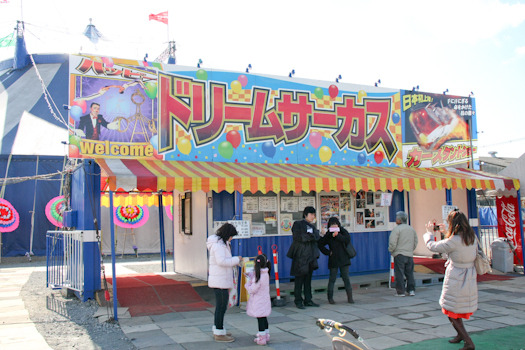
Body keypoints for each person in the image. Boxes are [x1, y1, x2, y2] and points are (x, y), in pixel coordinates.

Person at [423, 210, 477, 350]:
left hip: (457, 276)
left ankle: (468, 341)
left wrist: (429, 233)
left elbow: (434, 247)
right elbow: (448, 246)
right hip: (469, 275)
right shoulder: (471, 237)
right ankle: (460, 335)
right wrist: (444, 232)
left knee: (450, 309)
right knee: (455, 308)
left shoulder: (454, 240)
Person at [206, 223, 243, 343]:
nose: (232, 238)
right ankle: (219, 332)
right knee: (221, 307)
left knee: (222, 306)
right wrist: (236, 259)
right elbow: (221, 261)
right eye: (231, 236)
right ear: (227, 234)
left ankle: (219, 329)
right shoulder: (218, 246)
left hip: (221, 279)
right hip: (219, 280)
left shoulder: (223, 243)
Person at [287, 206, 321, 309]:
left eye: (314, 215)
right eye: (311, 214)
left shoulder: (313, 226)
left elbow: (316, 237)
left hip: (310, 257)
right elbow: (298, 237)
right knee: (299, 280)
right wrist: (310, 236)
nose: (313, 217)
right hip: (300, 257)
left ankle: (308, 300)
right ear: (305, 214)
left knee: (308, 280)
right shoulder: (298, 224)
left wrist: (311, 236)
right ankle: (298, 301)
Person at [318, 217, 354, 304]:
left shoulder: (342, 231)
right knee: (332, 279)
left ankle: (350, 297)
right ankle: (330, 298)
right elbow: (320, 244)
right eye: (332, 225)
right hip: (333, 259)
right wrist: (327, 252)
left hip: (344, 258)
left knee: (346, 278)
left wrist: (337, 235)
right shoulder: (328, 234)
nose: (334, 226)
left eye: (335, 224)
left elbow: (347, 240)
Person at [388, 211, 418, 297]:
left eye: (397, 218)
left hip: (399, 254)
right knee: (410, 273)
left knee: (399, 273)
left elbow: (392, 242)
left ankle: (400, 291)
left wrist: (391, 250)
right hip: (409, 254)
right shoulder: (411, 229)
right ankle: (411, 290)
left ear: (399, 220)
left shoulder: (397, 229)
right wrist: (411, 249)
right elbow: (415, 241)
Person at [245, 254, 272, 346]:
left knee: (260, 319)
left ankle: (261, 338)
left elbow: (253, 289)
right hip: (264, 300)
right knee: (264, 318)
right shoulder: (265, 274)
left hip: (258, 301)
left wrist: (248, 283)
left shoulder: (259, 276)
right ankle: (266, 335)